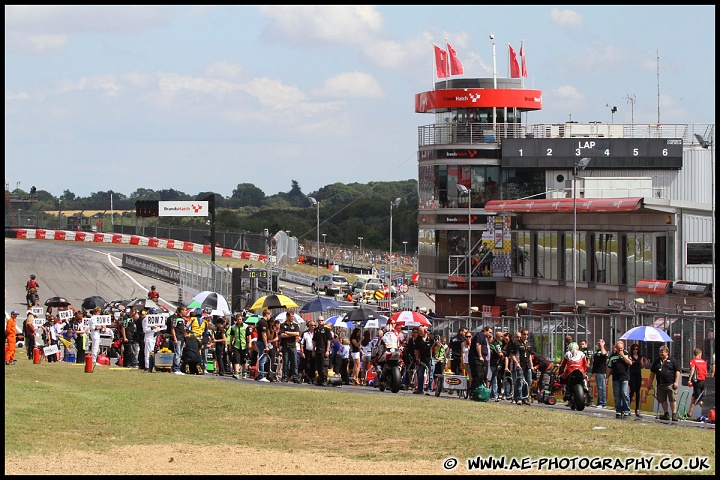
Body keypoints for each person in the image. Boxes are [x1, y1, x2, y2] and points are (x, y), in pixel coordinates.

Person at [648, 345, 682, 422]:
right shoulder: (657, 361)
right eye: (660, 352)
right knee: (662, 400)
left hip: (670, 384)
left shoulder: (672, 361)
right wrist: (650, 383)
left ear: (667, 352)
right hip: (660, 384)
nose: (661, 354)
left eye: (662, 352)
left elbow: (677, 371)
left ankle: (674, 414)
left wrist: (676, 382)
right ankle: (666, 413)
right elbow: (652, 373)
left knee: (672, 399)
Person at [606, 341, 633, 419]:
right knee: (617, 395)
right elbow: (609, 368)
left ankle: (626, 410)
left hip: (624, 378)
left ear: (623, 348)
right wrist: (607, 377)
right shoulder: (612, 357)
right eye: (618, 349)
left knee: (624, 393)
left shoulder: (627, 355)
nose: (620, 350)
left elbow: (630, 363)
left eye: (621, 348)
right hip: (616, 378)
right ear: (616, 348)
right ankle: (618, 410)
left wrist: (623, 356)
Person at [508, 328, 533, 406]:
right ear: (521, 335)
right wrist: (516, 363)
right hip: (520, 365)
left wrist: (531, 366)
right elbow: (512, 354)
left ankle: (525, 398)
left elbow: (529, 356)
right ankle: (518, 398)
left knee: (528, 382)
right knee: (520, 382)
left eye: (527, 334)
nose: (526, 336)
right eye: (524, 334)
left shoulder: (529, 344)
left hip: (527, 365)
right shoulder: (517, 344)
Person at [279, 309, 300, 383]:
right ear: (287, 316)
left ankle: (295, 376)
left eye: (293, 316)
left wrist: (287, 332)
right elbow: (282, 335)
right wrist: (291, 334)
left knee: (294, 362)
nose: (292, 318)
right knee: (286, 362)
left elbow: (297, 334)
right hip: (285, 346)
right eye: (291, 316)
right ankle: (285, 376)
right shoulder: (282, 325)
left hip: (293, 345)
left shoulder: (295, 324)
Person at [469, 326, 492, 394]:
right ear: (485, 331)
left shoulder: (485, 338)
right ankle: (473, 391)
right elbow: (478, 344)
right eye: (490, 332)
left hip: (483, 359)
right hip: (476, 358)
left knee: (482, 376)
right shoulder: (480, 335)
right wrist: (480, 356)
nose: (490, 334)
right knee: (478, 375)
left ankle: (479, 391)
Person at [687, 348, 708, 419]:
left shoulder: (693, 361)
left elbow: (692, 369)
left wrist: (689, 379)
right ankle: (689, 414)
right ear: (700, 354)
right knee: (694, 397)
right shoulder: (704, 362)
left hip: (697, 381)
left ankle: (708, 412)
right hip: (703, 381)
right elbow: (705, 372)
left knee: (697, 399)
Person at [628, 343, 648, 417]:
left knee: (638, 392)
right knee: (632, 391)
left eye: (636, 349)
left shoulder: (640, 357)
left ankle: (637, 409)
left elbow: (642, 366)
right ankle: (628, 408)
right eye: (634, 349)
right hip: (632, 374)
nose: (635, 350)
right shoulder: (630, 357)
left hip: (638, 375)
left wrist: (645, 363)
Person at [313, 316, 333, 386]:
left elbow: (328, 340)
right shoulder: (316, 330)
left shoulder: (326, 329)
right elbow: (314, 341)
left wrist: (327, 350)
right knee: (318, 366)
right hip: (318, 350)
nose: (320, 321)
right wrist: (313, 350)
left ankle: (324, 379)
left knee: (324, 366)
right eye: (319, 320)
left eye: (321, 320)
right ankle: (320, 379)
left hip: (324, 350)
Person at [168, 305, 187, 375]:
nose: (185, 312)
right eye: (185, 310)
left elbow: (183, 330)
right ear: (181, 311)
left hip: (182, 338)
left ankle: (176, 367)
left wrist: (184, 340)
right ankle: (176, 369)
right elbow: (172, 329)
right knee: (177, 354)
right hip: (177, 338)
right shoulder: (175, 318)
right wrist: (175, 338)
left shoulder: (182, 319)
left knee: (180, 354)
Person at [414, 326, 433, 395]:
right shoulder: (418, 339)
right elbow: (416, 350)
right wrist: (417, 359)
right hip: (422, 358)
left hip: (430, 357)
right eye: (419, 331)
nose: (419, 333)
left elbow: (438, 345)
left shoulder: (431, 338)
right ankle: (420, 389)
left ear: (425, 330)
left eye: (421, 331)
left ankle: (429, 389)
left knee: (430, 373)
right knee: (420, 374)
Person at [229, 314, 248, 379]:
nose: (239, 321)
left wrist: (249, 343)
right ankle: (236, 372)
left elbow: (248, 335)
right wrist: (230, 345)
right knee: (236, 359)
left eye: (240, 319)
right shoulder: (233, 327)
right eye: (238, 320)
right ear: (236, 320)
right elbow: (232, 336)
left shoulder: (245, 326)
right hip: (236, 345)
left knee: (244, 360)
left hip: (244, 345)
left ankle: (244, 372)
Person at [254, 310, 271, 382]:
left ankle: (259, 375)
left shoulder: (259, 322)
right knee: (263, 359)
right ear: (267, 314)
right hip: (262, 342)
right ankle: (261, 375)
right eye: (269, 315)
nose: (270, 316)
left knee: (262, 357)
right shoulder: (263, 323)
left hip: (259, 341)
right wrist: (266, 345)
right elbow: (264, 334)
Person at [591, 339, 608, 408]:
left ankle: (603, 403)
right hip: (597, 372)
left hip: (602, 372)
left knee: (602, 387)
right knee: (598, 388)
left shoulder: (603, 351)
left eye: (600, 343)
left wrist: (602, 346)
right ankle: (599, 402)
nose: (599, 344)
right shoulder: (596, 352)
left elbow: (604, 353)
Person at [489, 331, 506, 401]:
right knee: (494, 379)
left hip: (495, 363)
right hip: (494, 363)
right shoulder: (496, 344)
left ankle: (493, 393)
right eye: (501, 336)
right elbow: (500, 353)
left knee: (494, 378)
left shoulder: (498, 343)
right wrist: (503, 354)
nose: (502, 338)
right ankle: (494, 394)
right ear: (498, 337)